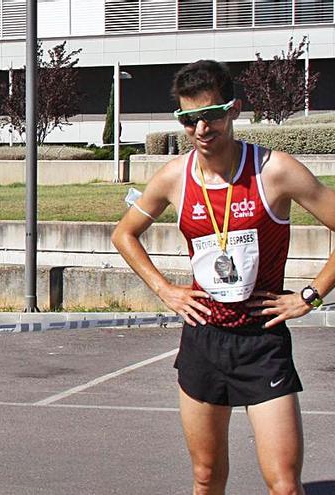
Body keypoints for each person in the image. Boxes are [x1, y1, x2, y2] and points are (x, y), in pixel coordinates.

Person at [112, 59, 333, 495]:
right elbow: (124, 234)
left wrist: (310, 294)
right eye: (188, 119)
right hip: (203, 338)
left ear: (233, 110)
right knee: (206, 477)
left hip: (261, 339)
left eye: (211, 115)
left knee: (285, 485)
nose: (201, 129)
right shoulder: (176, 177)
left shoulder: (275, 170)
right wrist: (166, 290)